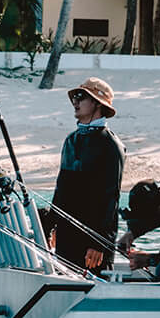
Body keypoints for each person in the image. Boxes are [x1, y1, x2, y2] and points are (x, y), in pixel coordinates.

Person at [42, 77, 124, 272]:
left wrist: (100, 243)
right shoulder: (71, 140)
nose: (75, 102)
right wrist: (51, 225)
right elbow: (61, 188)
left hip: (93, 242)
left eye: (81, 96)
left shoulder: (111, 145)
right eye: (74, 97)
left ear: (98, 103)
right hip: (66, 234)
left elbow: (110, 198)